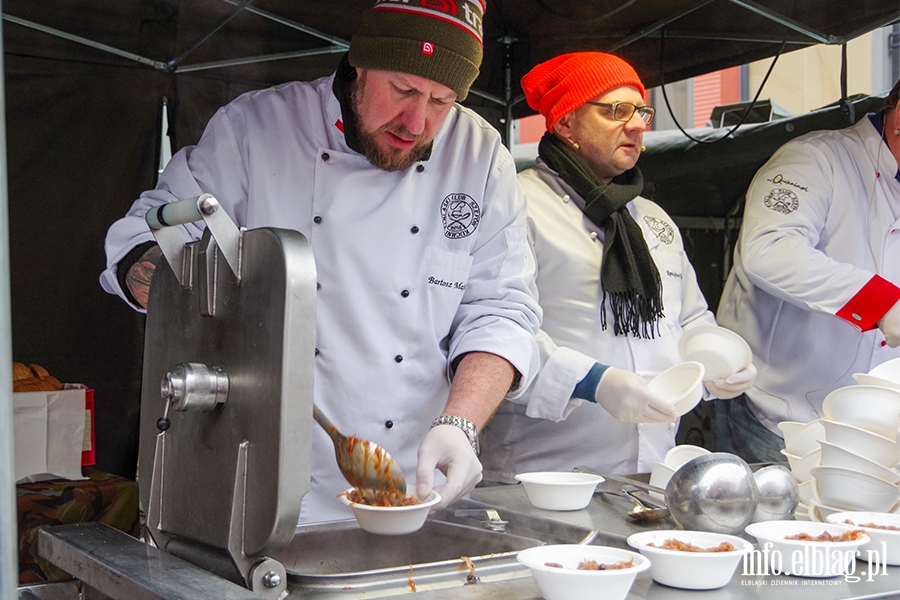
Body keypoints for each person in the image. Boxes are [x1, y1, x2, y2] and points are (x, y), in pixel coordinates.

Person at [100, 0, 542, 523]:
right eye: (402, 90)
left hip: (416, 488)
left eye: (441, 101)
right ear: (359, 63)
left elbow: (502, 311)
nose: (417, 121)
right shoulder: (257, 128)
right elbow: (148, 233)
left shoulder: (479, 153)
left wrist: (462, 425)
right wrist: (180, 288)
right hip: (264, 483)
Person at [479, 52, 756, 482]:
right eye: (616, 111)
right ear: (565, 122)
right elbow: (493, 328)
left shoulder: (651, 218)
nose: (638, 124)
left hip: (653, 471)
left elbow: (689, 317)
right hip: (543, 472)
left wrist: (715, 360)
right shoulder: (516, 204)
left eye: (641, 111)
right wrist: (593, 382)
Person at [716, 79, 900, 463]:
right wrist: (880, 303)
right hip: (777, 418)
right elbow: (769, 250)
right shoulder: (814, 159)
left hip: (872, 433)